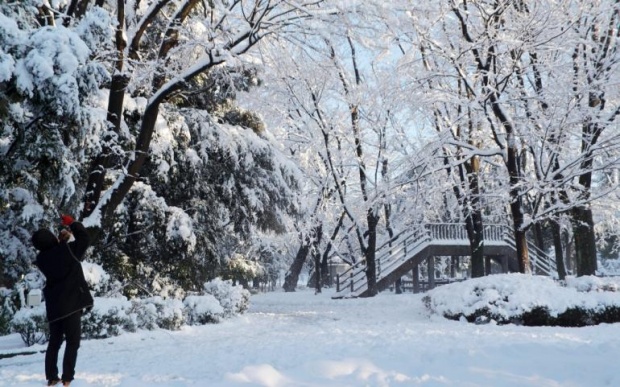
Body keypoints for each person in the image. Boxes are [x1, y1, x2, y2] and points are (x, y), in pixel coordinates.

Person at [31, 215, 94, 387]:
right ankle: (67, 379)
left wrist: (61, 242)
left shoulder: (41, 260)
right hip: (71, 305)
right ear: (51, 238)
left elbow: (56, 254)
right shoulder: (66, 251)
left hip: (54, 307)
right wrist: (72, 223)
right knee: (73, 342)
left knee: (55, 343)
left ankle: (52, 378)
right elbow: (85, 239)